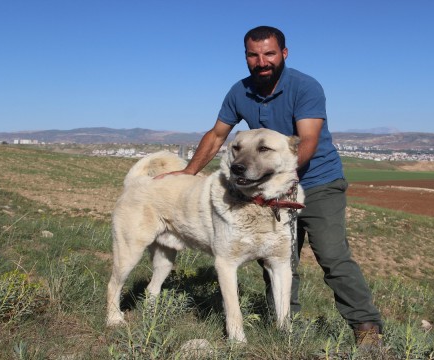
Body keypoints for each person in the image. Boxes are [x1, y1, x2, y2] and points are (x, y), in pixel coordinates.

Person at [160, 25, 383, 346]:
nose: (261, 61)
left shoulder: (305, 87)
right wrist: (188, 172)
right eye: (253, 55)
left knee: (333, 256)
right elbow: (217, 135)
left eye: (269, 53)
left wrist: (285, 180)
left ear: (284, 54)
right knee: (278, 260)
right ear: (246, 57)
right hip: (268, 190)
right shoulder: (240, 91)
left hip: (318, 184)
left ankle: (367, 330)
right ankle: (284, 332)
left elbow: (307, 139)